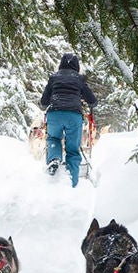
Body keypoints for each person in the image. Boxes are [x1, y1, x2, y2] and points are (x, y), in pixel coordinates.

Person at [39, 52, 97, 188]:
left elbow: (43, 101)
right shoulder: (79, 79)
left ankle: (54, 158)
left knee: (53, 138)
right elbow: (92, 100)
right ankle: (72, 182)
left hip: (55, 114)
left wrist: (46, 103)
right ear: (76, 66)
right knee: (72, 149)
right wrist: (91, 103)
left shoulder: (53, 78)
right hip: (73, 116)